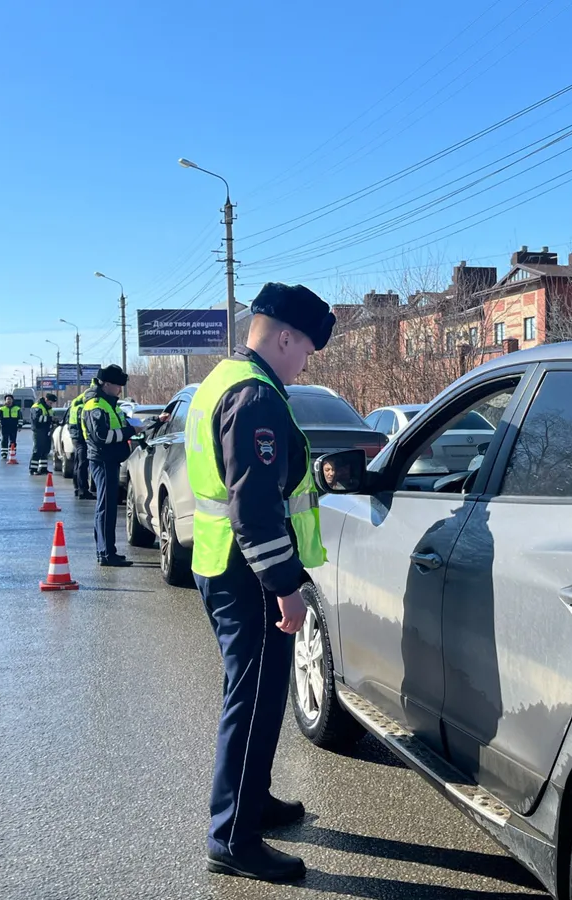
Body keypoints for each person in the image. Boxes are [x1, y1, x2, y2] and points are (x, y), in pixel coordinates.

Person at [184, 283, 335, 883]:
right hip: (248, 576)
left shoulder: (222, 380)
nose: (306, 364)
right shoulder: (256, 396)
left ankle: (254, 799)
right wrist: (285, 587)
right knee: (251, 704)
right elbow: (256, 508)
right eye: (305, 351)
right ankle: (233, 838)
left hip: (223, 564)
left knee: (257, 697)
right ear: (284, 336)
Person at [81, 366, 142, 566]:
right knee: (106, 508)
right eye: (118, 386)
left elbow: (122, 423)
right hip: (103, 459)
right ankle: (106, 554)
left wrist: (149, 423)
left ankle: (106, 551)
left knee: (106, 507)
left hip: (109, 459)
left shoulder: (108, 403)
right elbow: (102, 436)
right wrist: (130, 431)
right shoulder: (95, 405)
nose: (120, 390)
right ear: (107, 384)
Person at [67, 380, 98, 499]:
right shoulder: (84, 405)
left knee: (78, 463)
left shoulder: (76, 402)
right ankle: (83, 490)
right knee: (83, 464)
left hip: (76, 436)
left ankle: (77, 487)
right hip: (81, 437)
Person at [29, 392, 57, 475]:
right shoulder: (37, 407)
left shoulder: (48, 409)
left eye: (52, 403)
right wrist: (50, 419)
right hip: (38, 431)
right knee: (37, 450)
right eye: (50, 403)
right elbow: (37, 419)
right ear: (46, 400)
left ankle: (43, 468)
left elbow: (50, 419)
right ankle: (33, 469)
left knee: (45, 450)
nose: (51, 405)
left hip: (46, 431)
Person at [0, 394, 20, 460]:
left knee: (13, 440)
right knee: (4, 440)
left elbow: (20, 418)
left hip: (13, 427)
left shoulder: (17, 409)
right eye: (7, 399)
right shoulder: (1, 409)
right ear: (5, 400)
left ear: (12, 400)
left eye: (10, 399)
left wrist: (20, 426)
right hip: (5, 427)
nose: (9, 400)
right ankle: (4, 453)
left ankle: (12, 452)